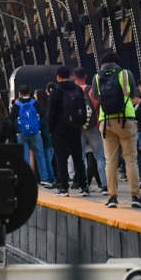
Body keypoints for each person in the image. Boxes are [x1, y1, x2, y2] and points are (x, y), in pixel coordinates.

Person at [91, 51, 141, 209]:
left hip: (106, 121)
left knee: (110, 161)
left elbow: (95, 96)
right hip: (126, 119)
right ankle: (136, 196)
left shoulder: (97, 76)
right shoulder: (125, 73)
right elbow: (133, 94)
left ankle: (112, 198)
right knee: (130, 159)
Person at [48, 66, 90, 197]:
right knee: (78, 158)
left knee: (61, 158)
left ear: (58, 77)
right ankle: (84, 187)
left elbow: (52, 114)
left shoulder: (55, 92)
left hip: (60, 130)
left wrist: (51, 129)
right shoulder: (77, 89)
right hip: (75, 128)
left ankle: (64, 188)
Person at [74, 66, 108, 194]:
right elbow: (97, 107)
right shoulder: (91, 91)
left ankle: (84, 187)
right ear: (86, 76)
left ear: (74, 77)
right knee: (99, 156)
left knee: (80, 157)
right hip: (93, 126)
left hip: (78, 128)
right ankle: (104, 186)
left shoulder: (73, 91)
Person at [10, 84, 48, 182]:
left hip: (21, 133)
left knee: (25, 155)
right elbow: (42, 114)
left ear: (20, 93)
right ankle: (44, 177)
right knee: (40, 154)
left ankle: (26, 178)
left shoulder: (17, 105)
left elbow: (11, 118)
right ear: (30, 92)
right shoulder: (35, 103)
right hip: (35, 132)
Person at [37, 88, 57, 188]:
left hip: (45, 140)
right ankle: (52, 176)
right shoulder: (49, 110)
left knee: (47, 160)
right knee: (50, 159)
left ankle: (51, 177)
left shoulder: (40, 114)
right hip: (52, 138)